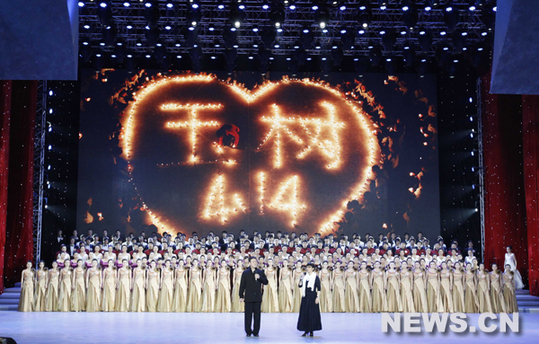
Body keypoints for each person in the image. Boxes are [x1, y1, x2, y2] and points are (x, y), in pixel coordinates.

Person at [239, 256, 268, 337]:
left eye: (256, 261)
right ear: (249, 263)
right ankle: (248, 331)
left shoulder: (260, 272)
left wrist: (260, 278)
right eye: (253, 262)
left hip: (257, 297)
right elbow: (242, 285)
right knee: (248, 316)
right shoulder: (245, 273)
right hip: (248, 297)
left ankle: (256, 331)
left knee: (257, 316)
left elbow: (266, 282)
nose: (255, 263)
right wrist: (241, 295)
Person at [297, 263, 322, 337]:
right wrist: (301, 278)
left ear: (313, 269)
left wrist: (317, 297)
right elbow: (300, 285)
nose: (308, 268)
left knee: (312, 313)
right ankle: (305, 329)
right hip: (305, 296)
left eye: (309, 267)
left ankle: (311, 330)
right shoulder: (304, 277)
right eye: (307, 267)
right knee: (305, 313)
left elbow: (319, 288)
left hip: (313, 296)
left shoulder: (315, 277)